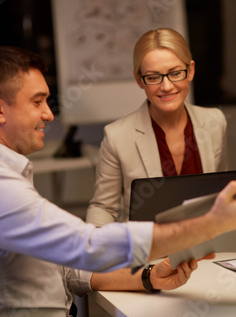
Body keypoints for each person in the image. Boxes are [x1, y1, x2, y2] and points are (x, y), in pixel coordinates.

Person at [0, 46, 236, 317]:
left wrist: (150, 276)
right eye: (37, 101)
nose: (49, 115)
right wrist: (208, 225)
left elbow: (65, 266)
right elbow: (87, 246)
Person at [86, 28, 228, 226]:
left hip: (206, 248)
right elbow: (104, 207)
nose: (167, 86)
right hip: (148, 252)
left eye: (175, 73)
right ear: (139, 79)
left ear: (191, 70)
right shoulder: (117, 136)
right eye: (153, 77)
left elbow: (221, 195)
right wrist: (97, 247)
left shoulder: (215, 121)